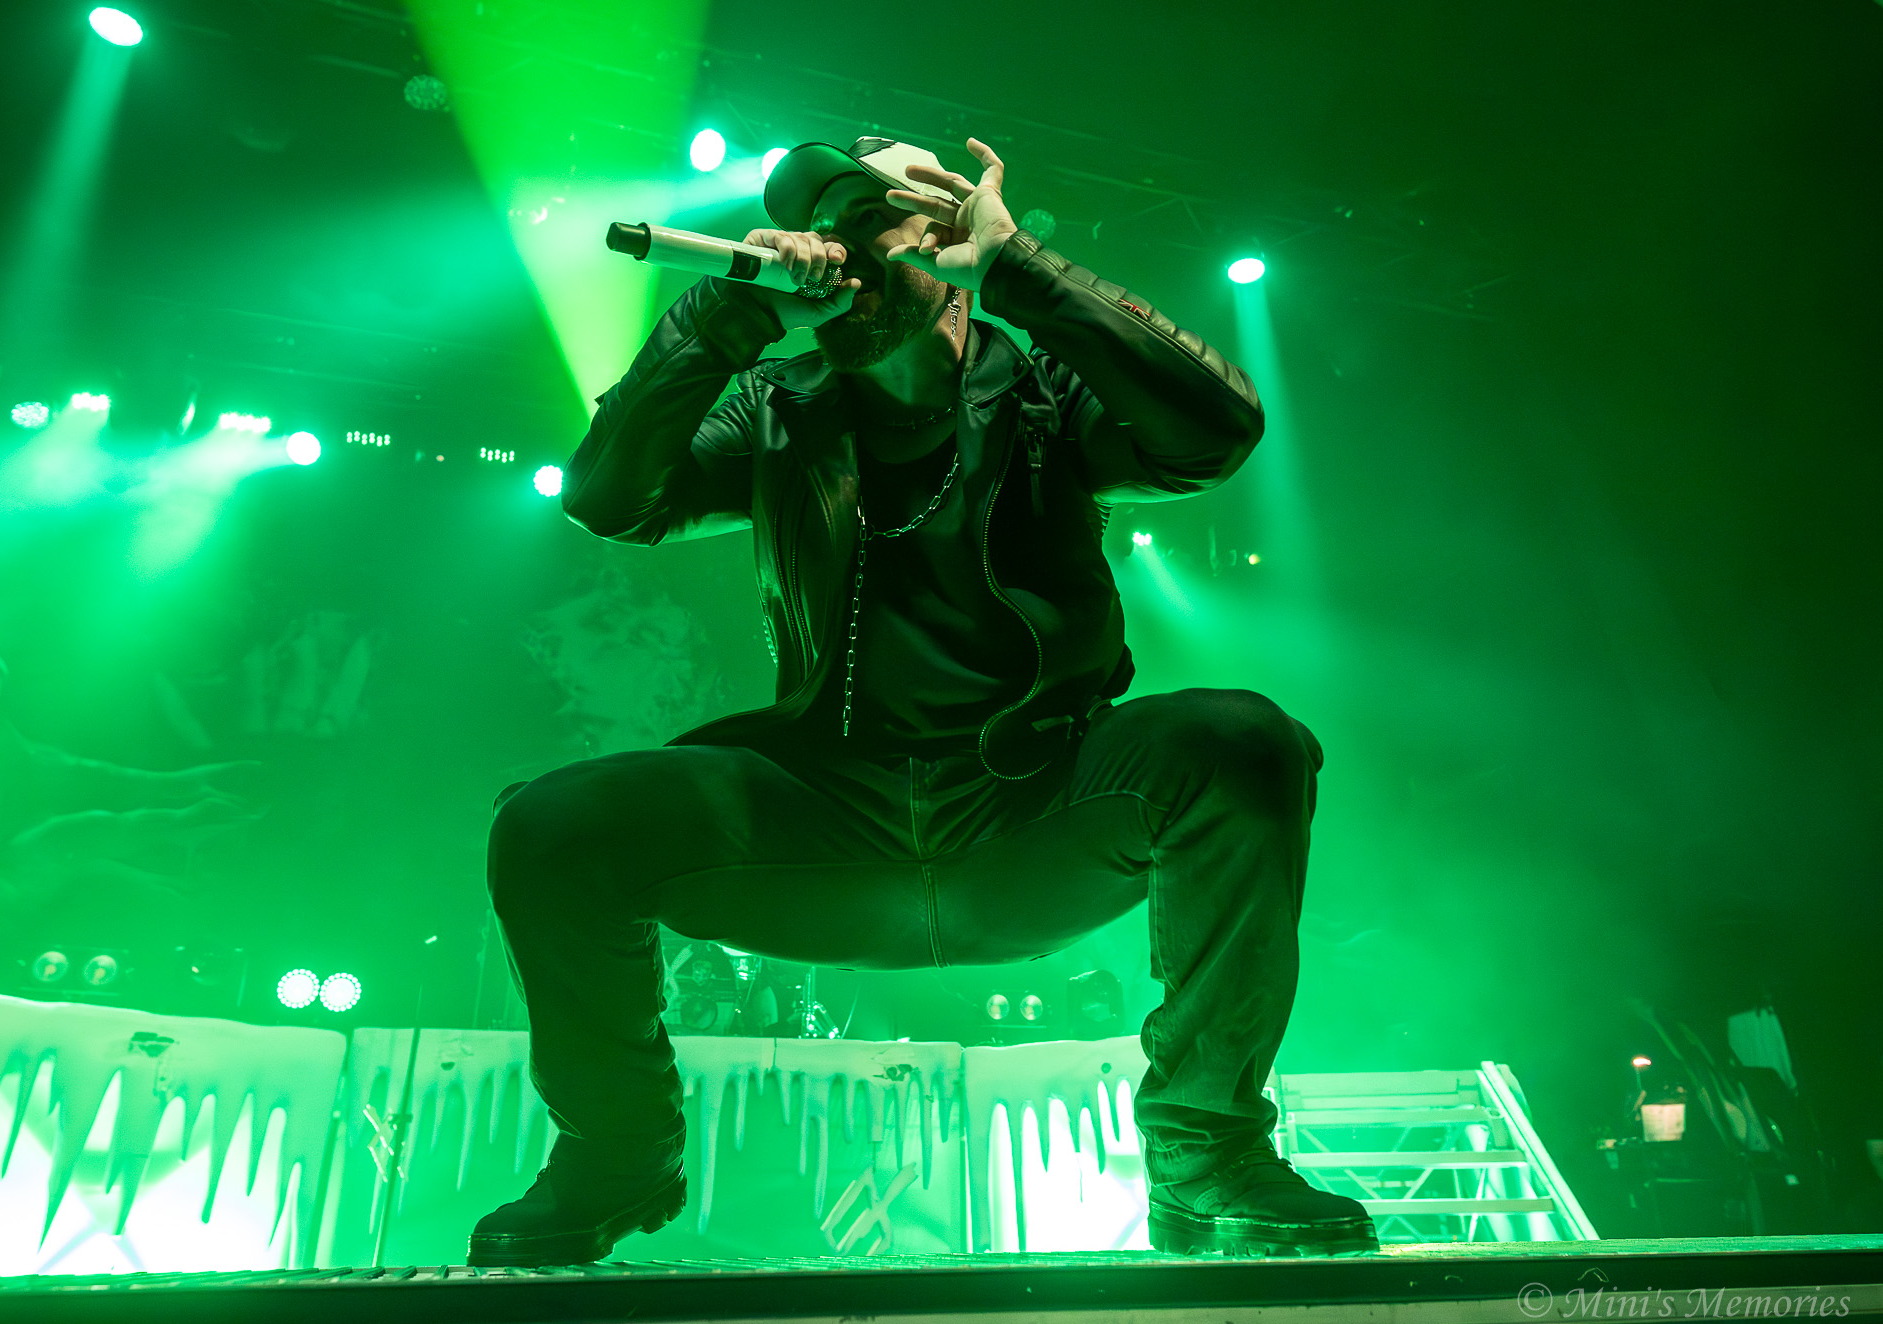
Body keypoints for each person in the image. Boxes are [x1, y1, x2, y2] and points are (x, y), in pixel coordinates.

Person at [470, 135, 1373, 1265]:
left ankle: (1208, 1158)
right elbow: (611, 500)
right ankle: (615, 1153)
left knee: (1240, 741)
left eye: (868, 217)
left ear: (946, 228)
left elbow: (1215, 434)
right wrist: (723, 315)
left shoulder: (1044, 392)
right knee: (550, 826)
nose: (836, 250)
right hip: (826, 825)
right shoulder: (773, 406)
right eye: (817, 228)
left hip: (1031, 813)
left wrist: (1022, 272)